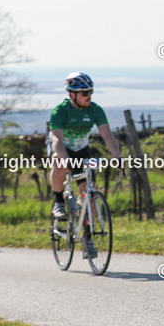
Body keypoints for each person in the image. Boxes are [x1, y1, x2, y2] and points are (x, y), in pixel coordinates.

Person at [48, 72, 121, 238]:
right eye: (85, 93)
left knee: (89, 190)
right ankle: (59, 201)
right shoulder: (61, 111)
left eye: (91, 92)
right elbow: (56, 139)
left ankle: (88, 234)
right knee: (58, 163)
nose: (89, 96)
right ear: (72, 94)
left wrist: (117, 156)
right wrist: (66, 161)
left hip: (81, 150)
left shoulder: (95, 110)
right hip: (62, 148)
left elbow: (108, 135)